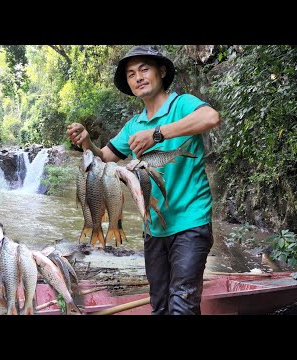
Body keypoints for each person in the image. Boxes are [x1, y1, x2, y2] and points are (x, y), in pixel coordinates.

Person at [66, 45, 221, 315]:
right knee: (159, 305)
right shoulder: (133, 125)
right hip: (154, 228)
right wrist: (88, 142)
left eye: (144, 69)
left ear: (161, 72)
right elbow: (104, 157)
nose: (138, 77)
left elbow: (211, 117)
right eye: (131, 73)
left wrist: (158, 134)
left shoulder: (181, 104)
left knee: (182, 305)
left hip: (191, 222)